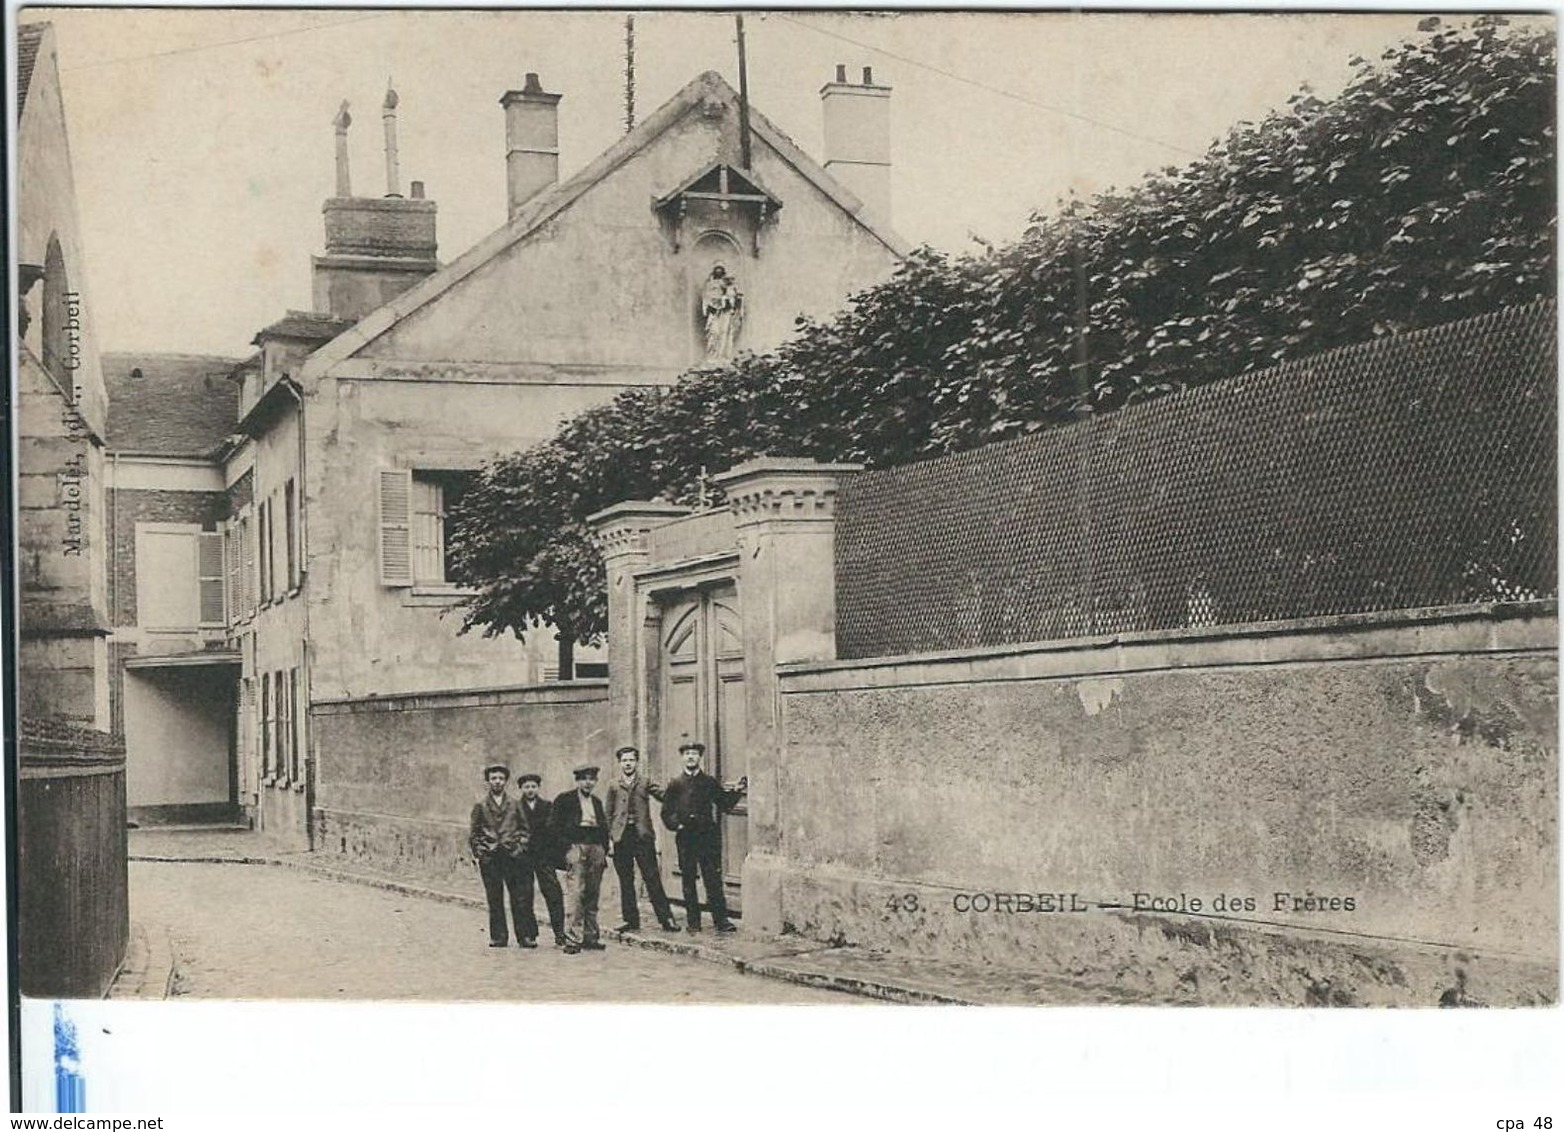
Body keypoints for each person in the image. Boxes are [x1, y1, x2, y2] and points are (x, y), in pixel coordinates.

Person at [658, 740, 746, 933]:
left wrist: (737, 792)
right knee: (688, 879)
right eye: (687, 753)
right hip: (686, 837)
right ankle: (693, 922)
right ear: (682, 758)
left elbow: (724, 804)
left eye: (694, 754)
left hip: (707, 837)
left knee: (712, 879)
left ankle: (721, 921)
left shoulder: (709, 782)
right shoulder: (675, 784)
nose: (691, 757)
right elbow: (666, 812)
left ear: (700, 758)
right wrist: (677, 825)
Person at [604, 746, 680, 934]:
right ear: (620, 763)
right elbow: (608, 813)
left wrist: (675, 789)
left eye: (631, 760)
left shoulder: (645, 781)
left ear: (637, 762)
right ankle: (631, 920)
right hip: (621, 837)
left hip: (642, 836)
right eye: (624, 760)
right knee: (626, 880)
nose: (628, 763)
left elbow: (664, 796)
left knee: (652, 877)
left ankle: (666, 919)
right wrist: (609, 840)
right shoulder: (613, 784)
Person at [467, 763, 530, 948]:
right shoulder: (480, 805)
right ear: (488, 781)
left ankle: (523, 936)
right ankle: (498, 937)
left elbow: (524, 830)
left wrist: (519, 849)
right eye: (493, 778)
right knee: (495, 898)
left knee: (518, 898)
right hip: (491, 857)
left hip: (512, 856)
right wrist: (481, 853)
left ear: (506, 781)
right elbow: (474, 833)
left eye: (501, 778)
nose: (497, 782)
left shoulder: (515, 804)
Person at [549, 765, 610, 954]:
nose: (588, 782)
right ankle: (572, 938)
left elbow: (604, 827)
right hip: (575, 846)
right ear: (577, 781)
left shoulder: (597, 802)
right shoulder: (565, 800)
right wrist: (567, 847)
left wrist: (603, 849)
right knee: (576, 892)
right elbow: (553, 825)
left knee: (593, 893)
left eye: (591, 779)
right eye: (584, 779)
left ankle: (591, 936)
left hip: (596, 847)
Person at [515, 772, 567, 947]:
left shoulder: (547, 806)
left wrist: (554, 852)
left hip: (544, 856)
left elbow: (554, 830)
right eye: (526, 787)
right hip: (523, 857)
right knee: (525, 895)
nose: (530, 790)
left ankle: (559, 933)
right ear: (521, 789)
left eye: (533, 786)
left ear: (538, 788)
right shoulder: (515, 807)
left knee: (553, 893)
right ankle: (529, 934)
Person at [700, 264, 742, 360]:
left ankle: (724, 356)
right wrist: (711, 306)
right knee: (714, 333)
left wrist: (728, 301)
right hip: (714, 313)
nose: (718, 274)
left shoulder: (728, 285)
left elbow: (732, 298)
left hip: (725, 313)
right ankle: (712, 356)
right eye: (717, 272)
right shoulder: (709, 284)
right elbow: (706, 298)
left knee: (725, 333)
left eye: (720, 272)